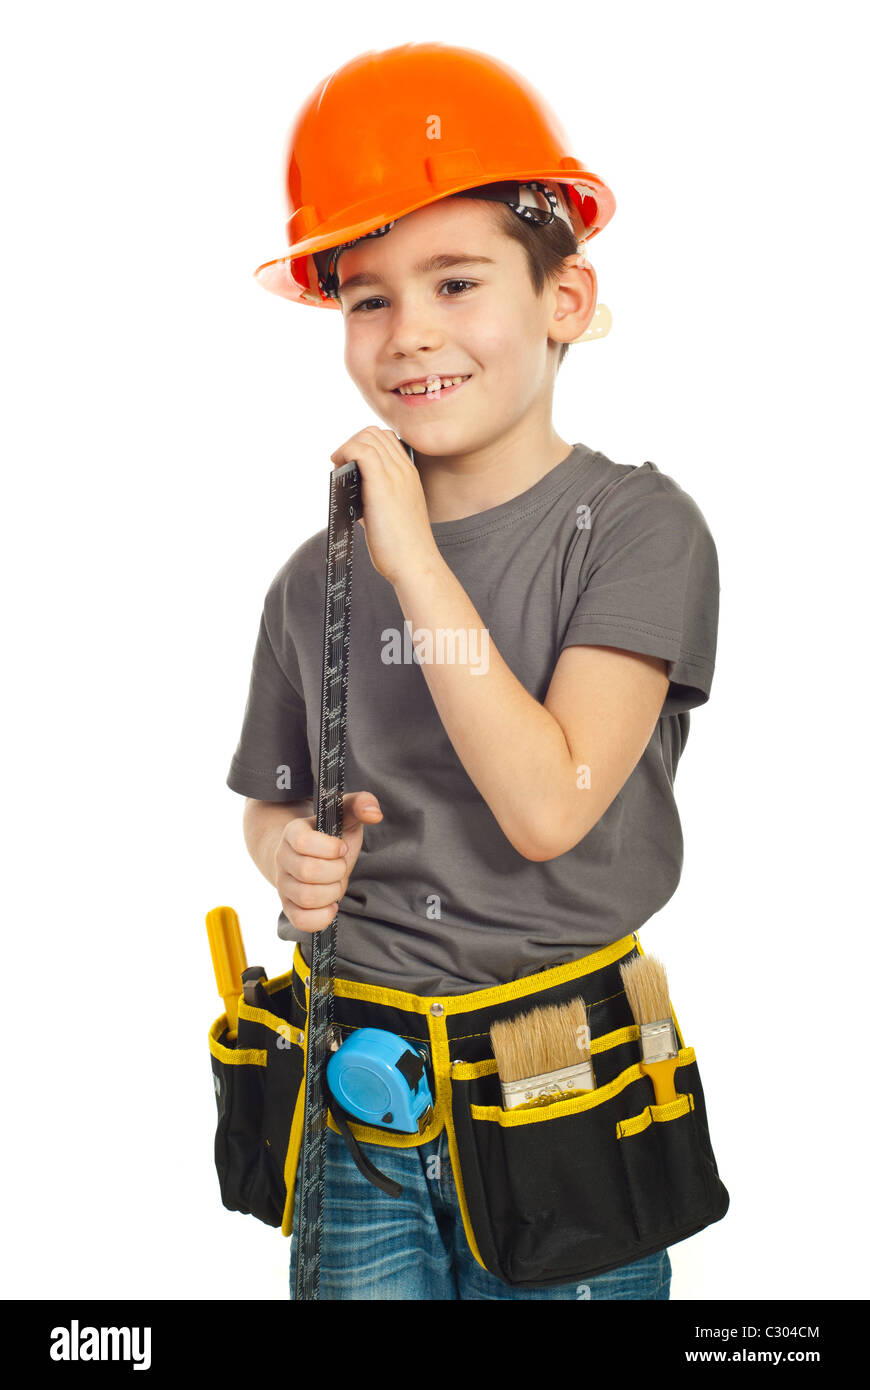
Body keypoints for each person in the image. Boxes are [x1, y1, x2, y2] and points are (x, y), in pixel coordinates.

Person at [226, 43, 721, 1301]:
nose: (411, 336)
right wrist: (284, 846)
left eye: (456, 281)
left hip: (559, 1093)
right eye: (369, 298)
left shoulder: (635, 532)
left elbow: (550, 807)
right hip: (360, 1108)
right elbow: (276, 795)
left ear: (564, 299)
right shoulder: (311, 578)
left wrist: (417, 566)